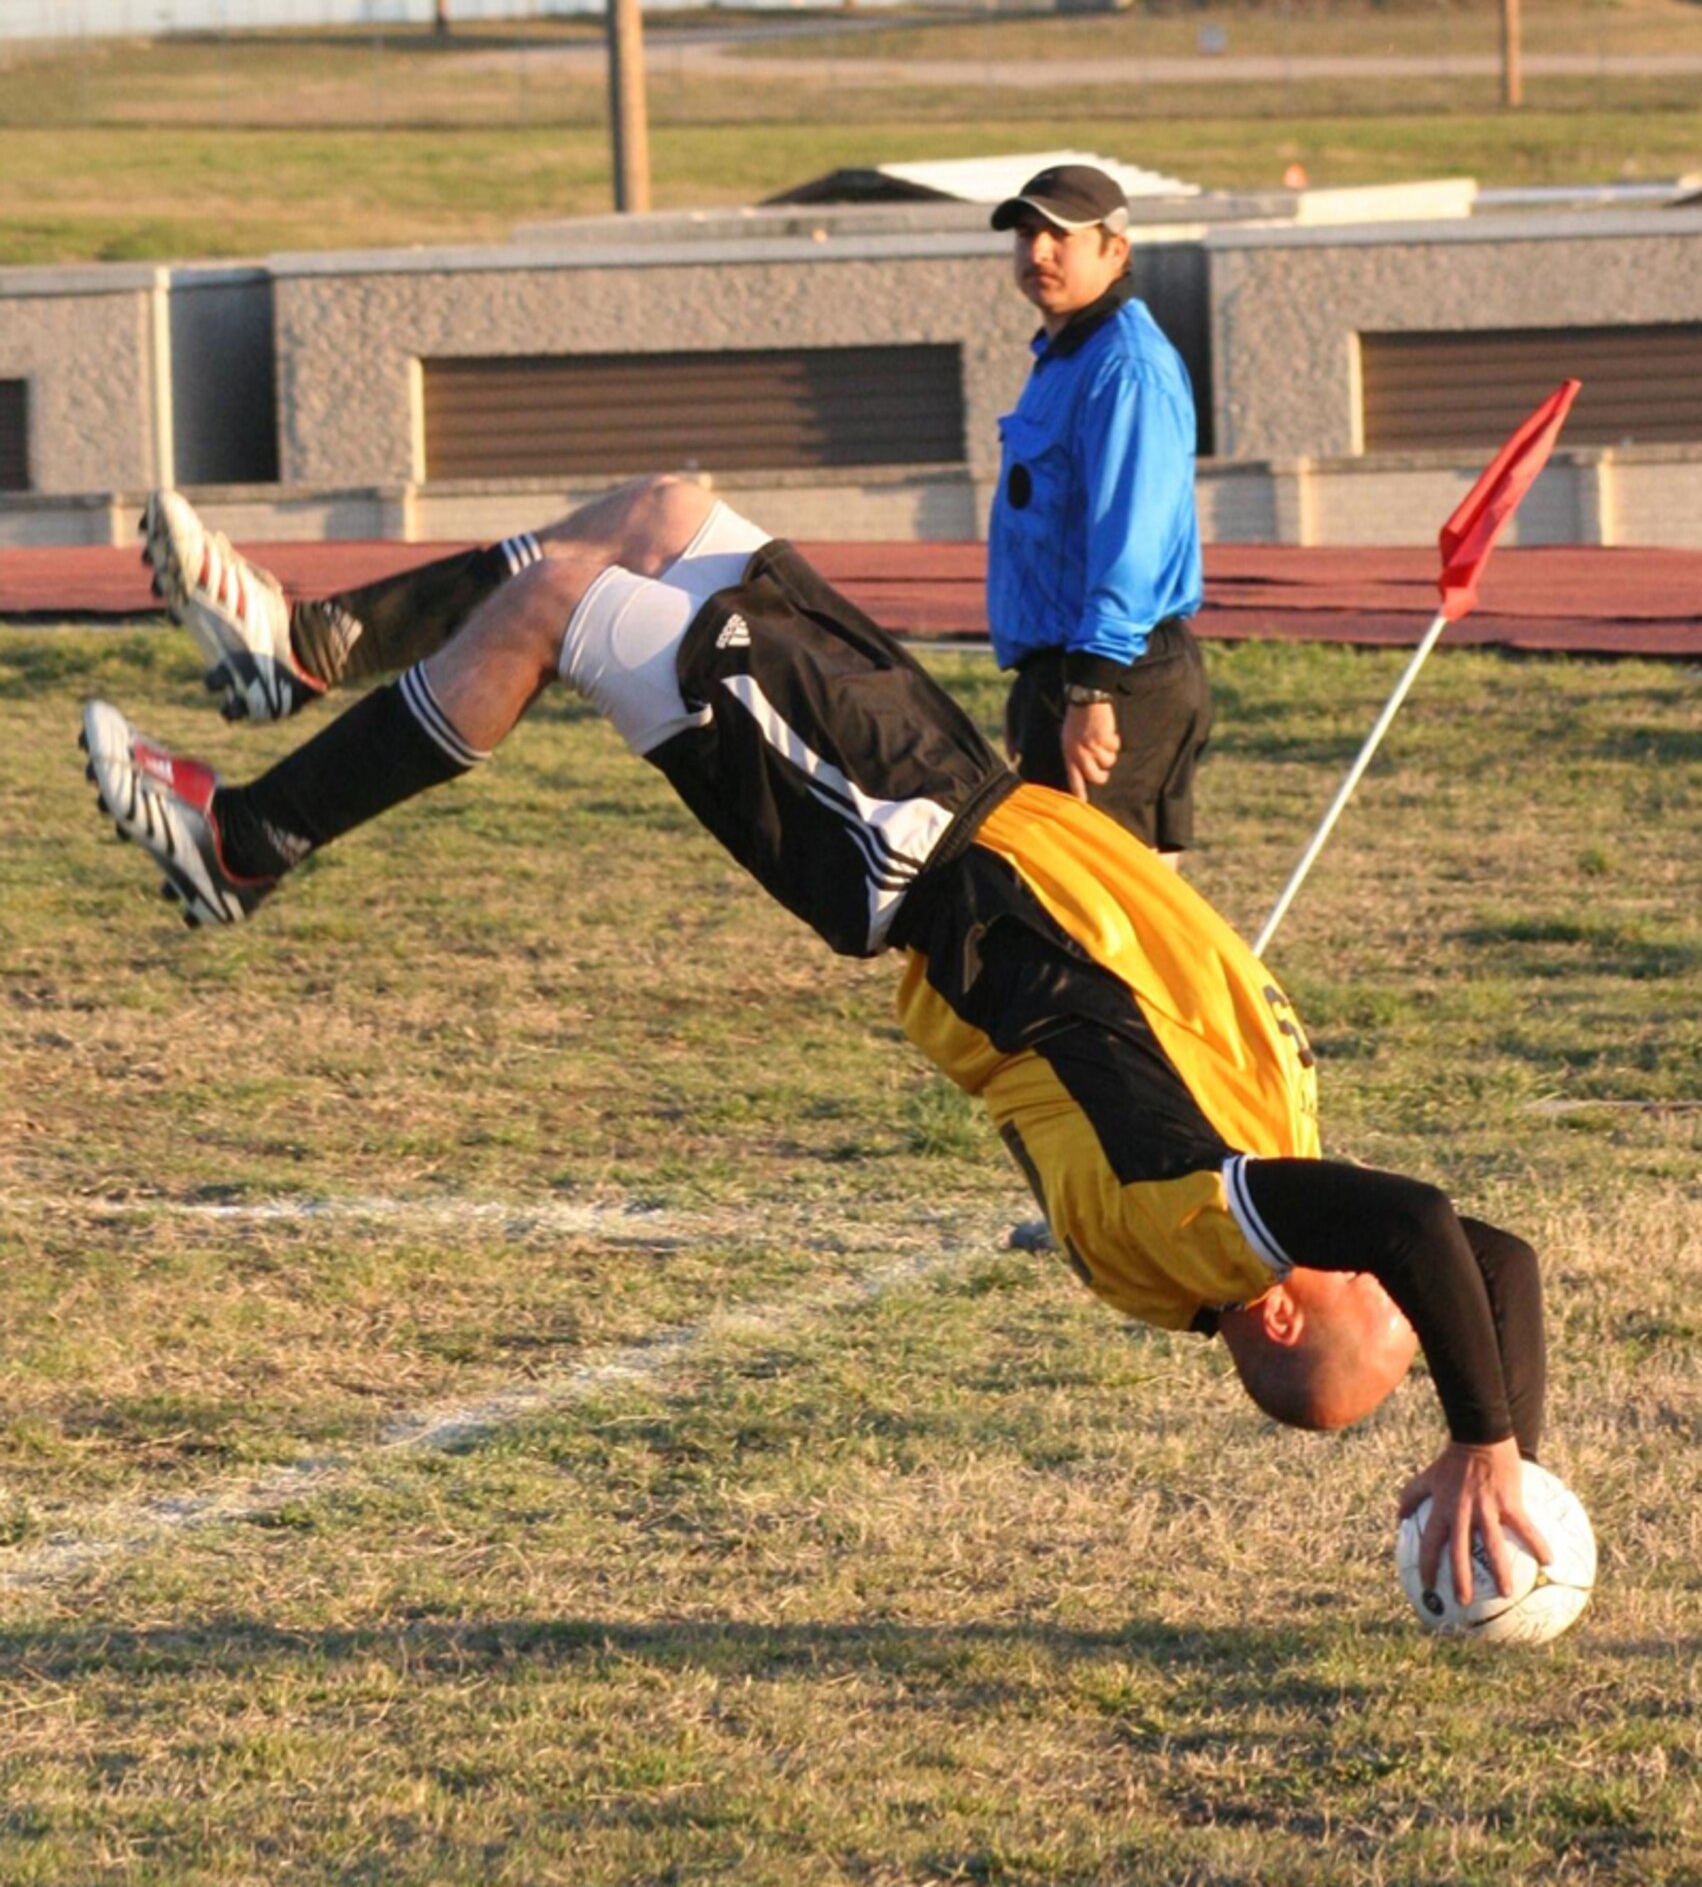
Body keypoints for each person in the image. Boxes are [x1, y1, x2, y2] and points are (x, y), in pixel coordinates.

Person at [83, 478, 1551, 1607]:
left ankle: (250, 839)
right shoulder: (1245, 1217)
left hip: (891, 839)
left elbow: (1422, 1230)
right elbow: (1497, 1262)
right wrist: (1513, 1456)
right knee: (666, 511)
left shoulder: (1191, 1215)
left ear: (1283, 1314)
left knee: (564, 607)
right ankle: (307, 649)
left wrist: (1475, 1433)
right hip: (955, 792)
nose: (1418, 1311)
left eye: (1392, 1326)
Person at [987, 163, 1211, 864]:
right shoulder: (1062, 358)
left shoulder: (1126, 368)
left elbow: (1131, 542)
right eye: (1026, 235)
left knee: (1105, 922)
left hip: (1120, 674)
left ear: (1117, 249)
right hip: (1071, 672)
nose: (1038, 252)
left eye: (1060, 235)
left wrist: (1089, 688)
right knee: (1083, 912)